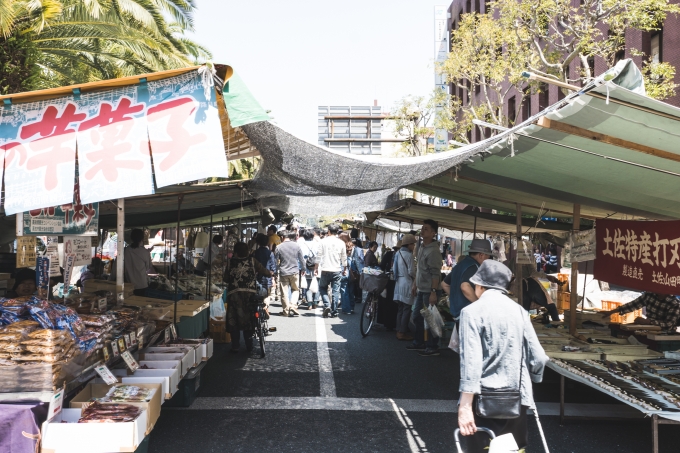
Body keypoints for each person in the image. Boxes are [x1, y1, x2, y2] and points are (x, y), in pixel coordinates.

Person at [457, 260, 549, 453]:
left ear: (480, 286)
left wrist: (465, 406)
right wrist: (532, 380)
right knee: (513, 449)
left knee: (483, 449)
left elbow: (471, 362)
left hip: (484, 400)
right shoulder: (520, 312)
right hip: (517, 398)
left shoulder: (471, 313)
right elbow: (539, 357)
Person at [225, 241, 273, 353]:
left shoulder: (231, 262)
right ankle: (249, 345)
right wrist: (270, 273)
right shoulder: (252, 261)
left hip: (234, 295)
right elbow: (264, 271)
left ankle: (235, 346)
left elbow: (225, 279)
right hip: (250, 294)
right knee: (249, 319)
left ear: (236, 252)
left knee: (234, 320)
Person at [409, 219, 443, 357]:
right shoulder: (422, 246)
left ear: (434, 233)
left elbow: (436, 273)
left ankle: (432, 346)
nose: (423, 231)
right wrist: (415, 284)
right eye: (422, 228)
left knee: (431, 319)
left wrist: (433, 292)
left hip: (430, 290)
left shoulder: (434, 251)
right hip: (421, 289)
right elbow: (420, 269)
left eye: (426, 229)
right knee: (417, 316)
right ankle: (419, 342)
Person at [441, 239, 492, 328]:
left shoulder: (460, 265)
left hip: (458, 315)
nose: (488, 260)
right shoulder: (474, 266)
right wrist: (479, 304)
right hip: (468, 316)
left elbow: (444, 284)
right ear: (481, 255)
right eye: (488, 257)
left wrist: (457, 298)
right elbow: (465, 286)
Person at [600, 293, 680, 333]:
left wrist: (649, 322)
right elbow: (633, 305)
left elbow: (669, 323)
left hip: (665, 334)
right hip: (648, 330)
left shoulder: (674, 303)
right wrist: (611, 312)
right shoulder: (649, 295)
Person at [315, 224, 347, 318]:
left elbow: (318, 255)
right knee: (335, 291)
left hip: (325, 269)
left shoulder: (323, 241)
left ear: (328, 231)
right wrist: (344, 268)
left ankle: (327, 304)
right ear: (337, 232)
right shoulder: (341, 243)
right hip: (337, 270)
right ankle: (334, 311)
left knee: (322, 288)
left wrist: (316, 267)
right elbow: (344, 257)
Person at [275, 231, 305, 317]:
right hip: (295, 271)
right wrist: (303, 269)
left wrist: (276, 272)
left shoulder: (278, 247)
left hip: (283, 272)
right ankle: (292, 304)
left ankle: (286, 311)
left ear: (282, 237)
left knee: (284, 292)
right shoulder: (296, 245)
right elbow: (301, 259)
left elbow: (276, 261)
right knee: (295, 290)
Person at [393, 235, 416, 341]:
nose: (414, 246)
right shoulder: (409, 255)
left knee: (400, 309)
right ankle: (402, 332)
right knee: (407, 309)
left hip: (398, 283)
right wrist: (415, 278)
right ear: (409, 244)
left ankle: (399, 330)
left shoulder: (398, 253)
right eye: (413, 244)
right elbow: (411, 271)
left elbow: (394, 270)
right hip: (407, 283)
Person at [252, 233, 277, 310]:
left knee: (257, 293)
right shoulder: (270, 253)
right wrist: (273, 277)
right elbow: (273, 267)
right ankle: (265, 307)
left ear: (258, 243)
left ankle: (259, 308)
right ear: (267, 243)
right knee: (267, 294)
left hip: (257, 277)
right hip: (267, 277)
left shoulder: (255, 252)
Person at [124, 228, 151, 296]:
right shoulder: (144, 252)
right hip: (142, 285)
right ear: (142, 238)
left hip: (129, 285)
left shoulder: (126, 250)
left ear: (131, 238)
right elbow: (148, 268)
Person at [377, 245, 397, 330]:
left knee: (385, 301)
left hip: (386, 280)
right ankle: (391, 324)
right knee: (393, 303)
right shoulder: (401, 255)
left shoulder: (389, 254)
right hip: (395, 281)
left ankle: (384, 321)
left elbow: (382, 265)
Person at [300, 229, 320, 309]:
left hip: (306, 266)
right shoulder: (317, 244)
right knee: (316, 284)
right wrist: (317, 267)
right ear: (312, 236)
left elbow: (300, 258)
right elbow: (319, 256)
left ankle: (309, 303)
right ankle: (315, 302)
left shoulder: (302, 245)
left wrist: (302, 268)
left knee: (308, 285)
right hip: (316, 266)